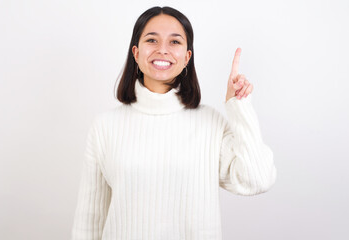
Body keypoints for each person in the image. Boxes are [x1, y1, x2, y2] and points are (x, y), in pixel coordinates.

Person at [71, 6, 277, 240]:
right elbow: (90, 220)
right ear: (136, 53)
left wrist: (238, 105)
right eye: (152, 40)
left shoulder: (210, 123)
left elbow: (258, 179)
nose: (162, 50)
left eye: (175, 42)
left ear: (187, 56)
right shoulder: (105, 127)